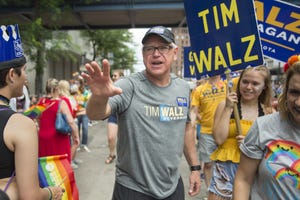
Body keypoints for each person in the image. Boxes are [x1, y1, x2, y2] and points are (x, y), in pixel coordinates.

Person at [82, 26, 201, 199]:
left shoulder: (182, 88)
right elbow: (95, 114)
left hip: (173, 186)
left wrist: (195, 168)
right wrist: (99, 97)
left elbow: (186, 127)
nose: (156, 53)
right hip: (133, 189)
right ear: (143, 54)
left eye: (163, 47)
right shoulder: (129, 86)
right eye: (149, 48)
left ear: (175, 52)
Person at [0, 24, 64, 199]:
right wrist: (52, 192)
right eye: (25, 71)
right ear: (12, 75)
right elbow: (30, 196)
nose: (26, 79)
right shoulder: (20, 125)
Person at [233, 55, 300, 199]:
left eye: (255, 83)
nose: (299, 102)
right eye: (294, 92)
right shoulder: (264, 126)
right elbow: (243, 179)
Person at [208, 65, 274, 200]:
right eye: (245, 81)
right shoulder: (224, 105)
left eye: (255, 83)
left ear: (264, 87)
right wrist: (227, 108)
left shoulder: (269, 113)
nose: (248, 87)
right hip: (225, 171)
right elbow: (219, 139)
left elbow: (272, 150)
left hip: (252, 173)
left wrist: (250, 145)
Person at [191, 74, 227, 189]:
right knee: (208, 164)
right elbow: (194, 110)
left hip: (225, 130)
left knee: (225, 163)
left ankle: (225, 190)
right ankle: (210, 191)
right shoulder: (199, 90)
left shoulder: (227, 85)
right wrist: (191, 127)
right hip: (206, 132)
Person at [38, 78, 80, 163]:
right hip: (58, 138)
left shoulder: (41, 101)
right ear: (57, 89)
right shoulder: (61, 103)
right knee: (61, 166)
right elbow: (71, 122)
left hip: (43, 138)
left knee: (46, 167)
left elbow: (38, 118)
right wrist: (76, 136)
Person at [58, 80, 81, 169]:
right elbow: (70, 114)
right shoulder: (66, 99)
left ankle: (70, 161)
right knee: (73, 143)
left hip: (59, 126)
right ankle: (69, 163)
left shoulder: (57, 98)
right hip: (67, 125)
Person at [105, 69, 124, 164]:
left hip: (124, 115)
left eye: (115, 76)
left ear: (121, 77)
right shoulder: (110, 86)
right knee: (111, 137)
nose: (113, 77)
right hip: (113, 114)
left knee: (124, 138)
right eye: (112, 76)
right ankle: (112, 154)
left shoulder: (126, 87)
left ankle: (124, 156)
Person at [75, 78, 91, 152]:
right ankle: (77, 145)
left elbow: (88, 104)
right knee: (76, 130)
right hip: (77, 113)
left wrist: (82, 104)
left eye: (78, 83)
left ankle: (84, 144)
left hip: (84, 113)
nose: (77, 85)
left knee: (85, 128)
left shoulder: (86, 93)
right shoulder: (75, 93)